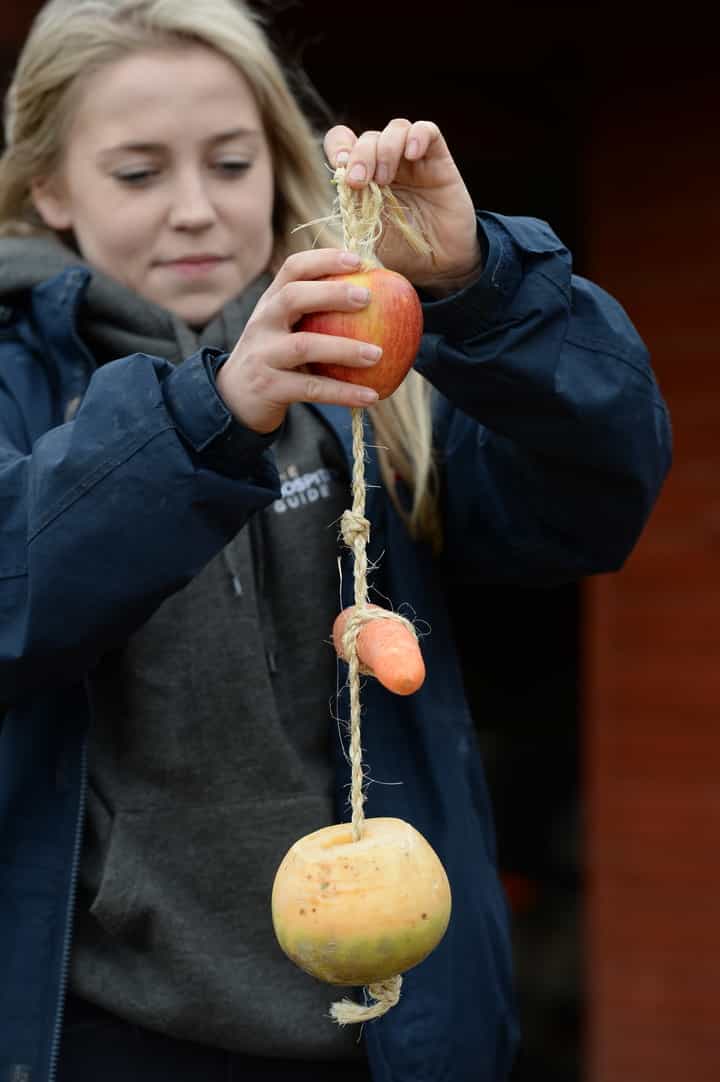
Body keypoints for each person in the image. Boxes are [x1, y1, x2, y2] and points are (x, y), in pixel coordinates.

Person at [0, 1, 671, 1080]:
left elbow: (593, 501)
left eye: (230, 161)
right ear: (48, 187)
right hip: (98, 1034)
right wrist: (209, 418)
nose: (194, 211)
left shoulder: (373, 376)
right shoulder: (13, 379)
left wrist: (485, 291)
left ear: (277, 162)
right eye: (136, 173)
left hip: (390, 1031)